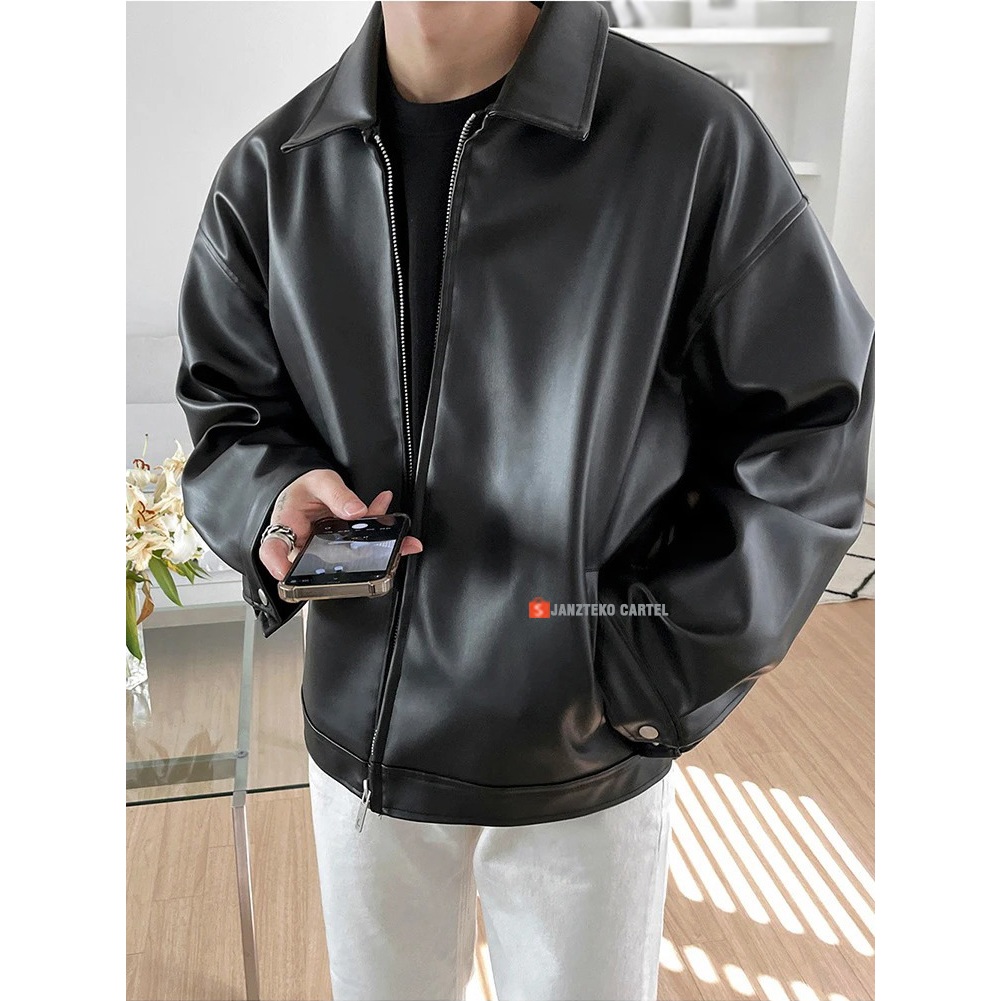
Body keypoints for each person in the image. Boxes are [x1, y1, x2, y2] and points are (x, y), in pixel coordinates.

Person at [175, 2, 875, 999]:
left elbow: (810, 422)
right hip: (363, 737)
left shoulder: (690, 140)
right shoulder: (270, 173)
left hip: (581, 740)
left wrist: (647, 669)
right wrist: (273, 493)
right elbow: (231, 412)